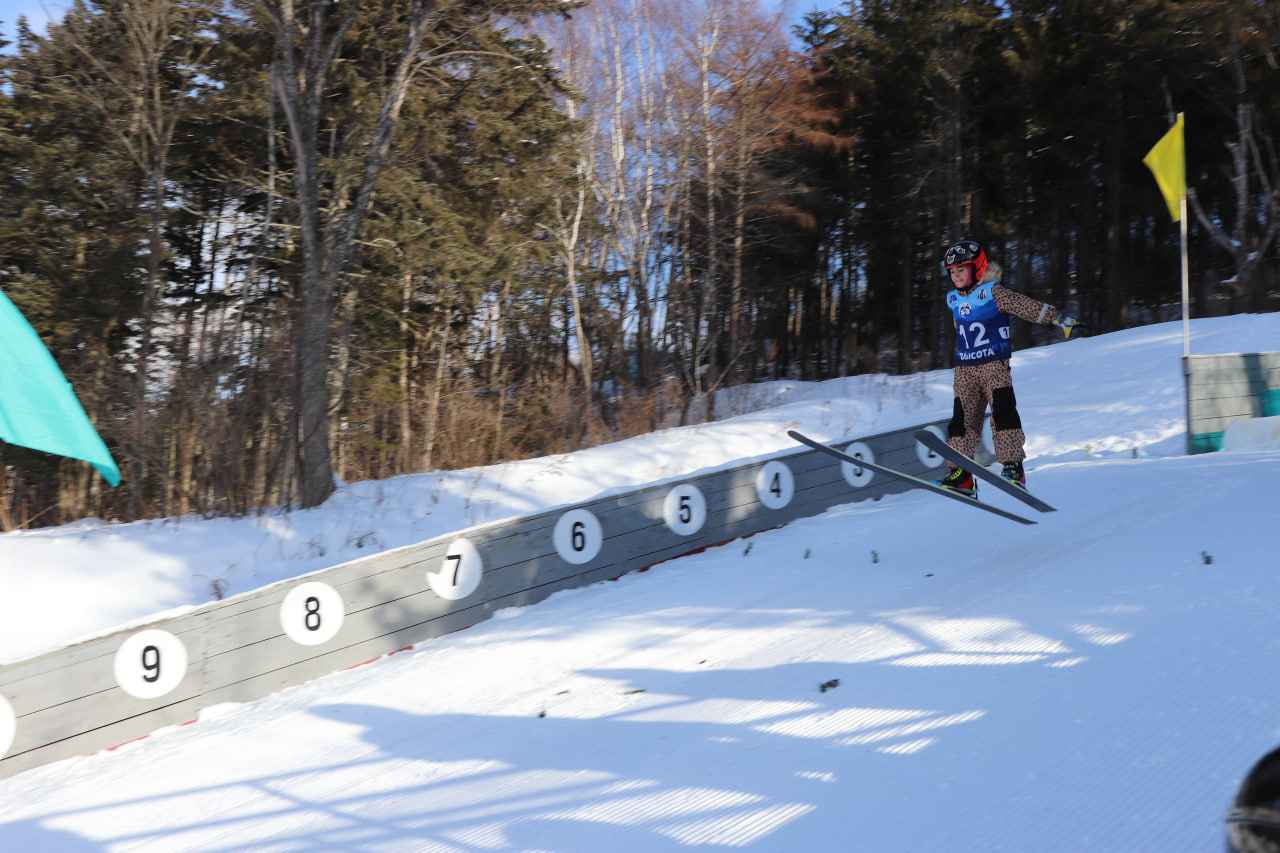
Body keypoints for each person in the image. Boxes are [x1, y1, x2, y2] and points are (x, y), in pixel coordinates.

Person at [937, 240, 1079, 495]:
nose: (956, 276)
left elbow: (1024, 306)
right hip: (965, 370)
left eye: (962, 270)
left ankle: (1013, 466)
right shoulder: (953, 299)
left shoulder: (993, 293)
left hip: (994, 365)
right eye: (952, 272)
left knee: (1003, 413)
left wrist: (1056, 317)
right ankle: (962, 475)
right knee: (962, 420)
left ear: (977, 269)